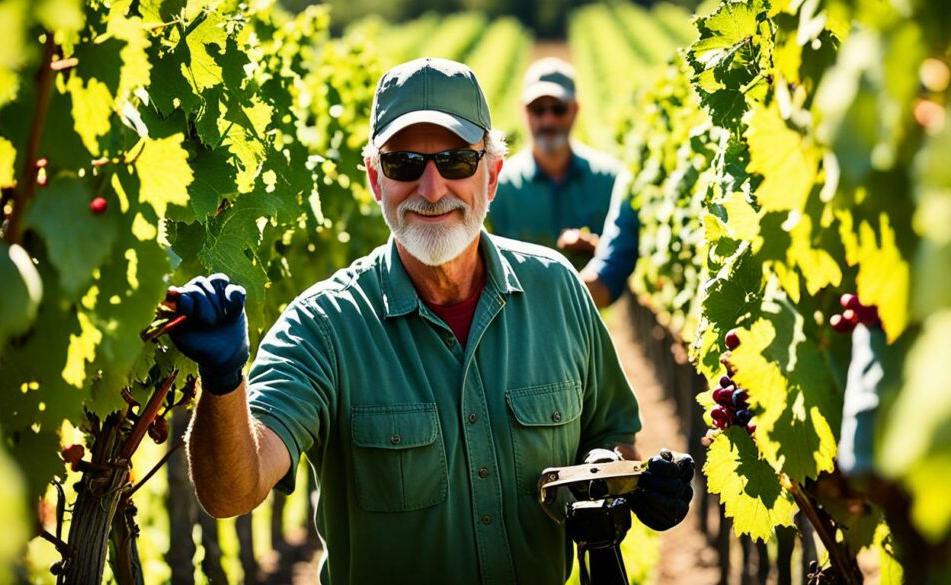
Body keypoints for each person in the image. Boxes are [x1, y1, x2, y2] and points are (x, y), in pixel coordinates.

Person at [171, 57, 693, 584]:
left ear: (491, 174)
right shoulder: (323, 326)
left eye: (455, 161)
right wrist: (222, 382)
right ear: (376, 179)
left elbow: (612, 436)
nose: (432, 187)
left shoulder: (558, 291)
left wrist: (624, 477)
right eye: (404, 164)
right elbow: (231, 492)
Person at [488, 57, 620, 269]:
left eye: (558, 109)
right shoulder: (499, 188)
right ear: (524, 112)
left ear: (575, 110)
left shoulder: (609, 179)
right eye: (538, 110)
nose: (548, 120)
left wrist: (596, 248)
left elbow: (627, 258)